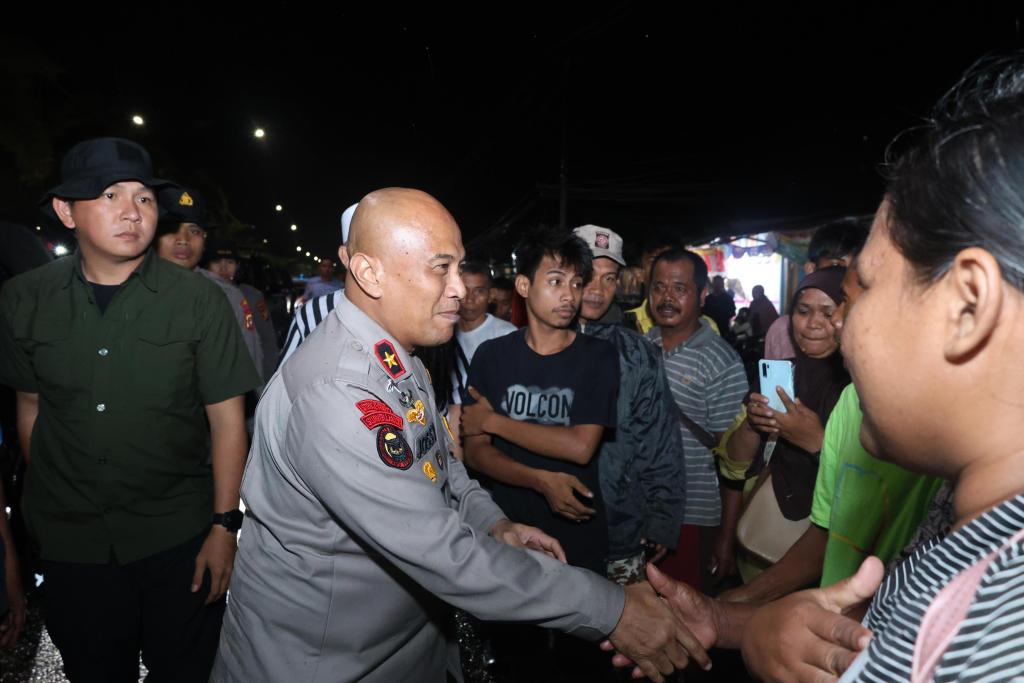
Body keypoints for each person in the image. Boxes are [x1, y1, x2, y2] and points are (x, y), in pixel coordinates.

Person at [212, 188, 707, 683]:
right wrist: (612, 609)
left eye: (460, 268)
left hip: (398, 648)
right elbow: (445, 555)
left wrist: (495, 524)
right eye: (440, 268)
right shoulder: (337, 391)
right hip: (324, 662)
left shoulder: (399, 355)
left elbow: (438, 464)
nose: (460, 289)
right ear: (369, 273)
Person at [0, 137, 260, 681]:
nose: (131, 212)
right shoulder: (24, 298)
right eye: (109, 195)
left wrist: (224, 527)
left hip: (178, 536)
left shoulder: (199, 301)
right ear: (66, 211)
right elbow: (30, 407)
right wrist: (58, 493)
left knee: (185, 670)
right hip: (73, 542)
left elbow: (226, 418)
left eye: (143, 198)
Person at [716, 267, 850, 585]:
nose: (814, 323)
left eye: (828, 312)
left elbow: (872, 488)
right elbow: (734, 466)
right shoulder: (777, 375)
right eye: (803, 311)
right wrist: (752, 424)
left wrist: (816, 441)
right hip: (763, 540)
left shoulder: (861, 389)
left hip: (834, 556)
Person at [572, 224, 686, 584]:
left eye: (609, 279)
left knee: (623, 635)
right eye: (588, 274)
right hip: (546, 532)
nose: (597, 289)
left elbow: (660, 439)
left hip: (619, 532)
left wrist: (662, 521)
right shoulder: (536, 345)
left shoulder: (637, 352)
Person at [646, 247, 748, 590]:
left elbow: (736, 462)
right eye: (659, 287)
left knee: (687, 625)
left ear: (702, 295)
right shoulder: (640, 347)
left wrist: (726, 538)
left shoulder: (720, 361)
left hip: (694, 518)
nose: (667, 298)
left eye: (680, 288)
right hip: (643, 513)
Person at [155, 190, 265, 385]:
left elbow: (248, 364)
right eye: (172, 229)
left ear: (204, 241)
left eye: (194, 231)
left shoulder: (227, 296)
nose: (183, 239)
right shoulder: (122, 285)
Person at [764, 217, 870, 359]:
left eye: (858, 270)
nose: (814, 324)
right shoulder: (783, 332)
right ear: (811, 269)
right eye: (836, 266)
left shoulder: (869, 331)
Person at [278, 202, 358, 364]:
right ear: (345, 257)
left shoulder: (340, 286)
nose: (327, 269)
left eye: (330, 267)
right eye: (324, 266)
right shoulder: (310, 311)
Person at [206, 242, 280, 381]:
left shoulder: (252, 296)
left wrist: (265, 380)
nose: (223, 268)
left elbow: (267, 340)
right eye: (216, 261)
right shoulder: (196, 294)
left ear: (237, 266)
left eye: (230, 262)